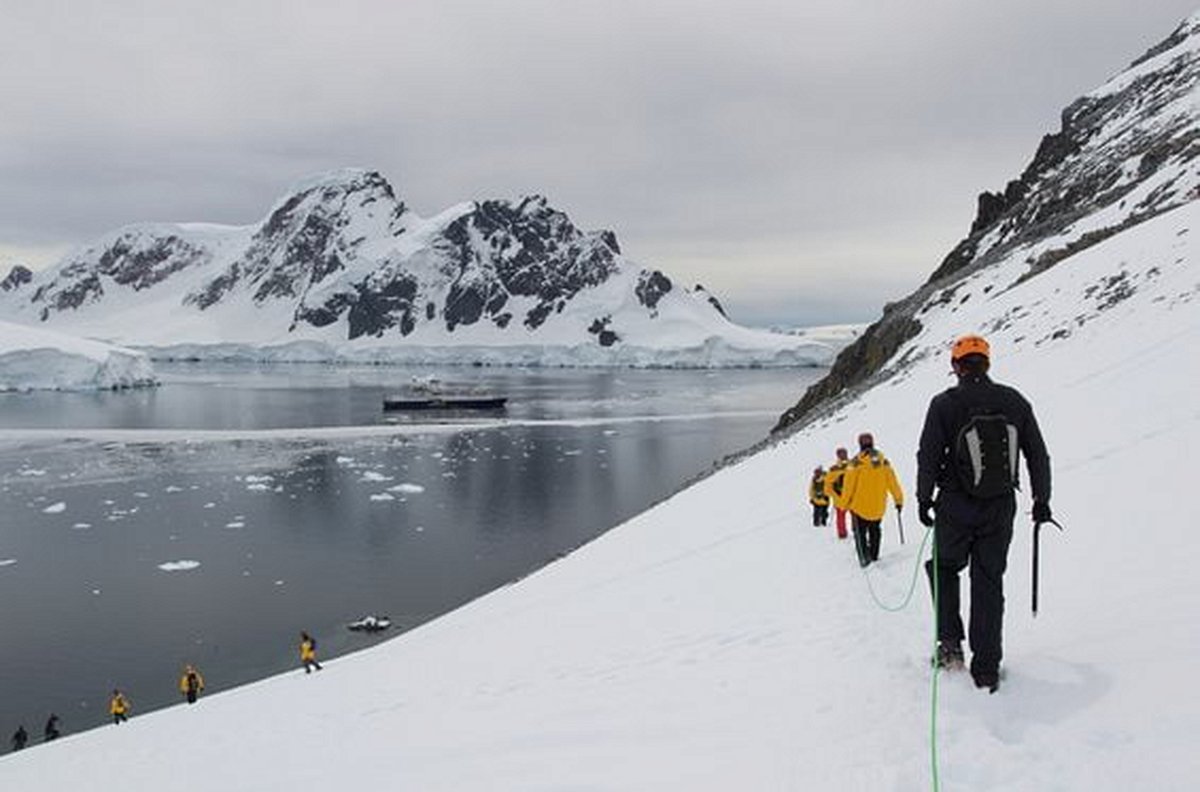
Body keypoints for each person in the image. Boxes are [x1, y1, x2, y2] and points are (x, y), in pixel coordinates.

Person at [917, 334, 1051, 693]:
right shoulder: (1013, 401)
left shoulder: (945, 404)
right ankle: (987, 669)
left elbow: (928, 454)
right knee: (989, 581)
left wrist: (923, 498)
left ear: (956, 366)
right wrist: (1042, 500)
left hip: (956, 506)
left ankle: (950, 647)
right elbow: (1037, 454)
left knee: (943, 567)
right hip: (1000, 506)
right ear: (987, 363)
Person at [836, 433, 904, 567]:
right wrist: (898, 500)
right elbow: (893, 483)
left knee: (860, 533)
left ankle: (864, 558)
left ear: (860, 444)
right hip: (878, 507)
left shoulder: (855, 463)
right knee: (875, 530)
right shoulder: (883, 461)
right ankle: (874, 555)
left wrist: (843, 505)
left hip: (859, 507)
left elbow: (848, 487)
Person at [824, 448, 851, 539]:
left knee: (841, 517)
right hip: (850, 497)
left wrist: (833, 495)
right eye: (841, 454)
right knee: (847, 516)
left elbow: (827, 487)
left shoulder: (834, 469)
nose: (843, 456)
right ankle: (851, 532)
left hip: (841, 498)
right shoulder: (852, 465)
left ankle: (843, 533)